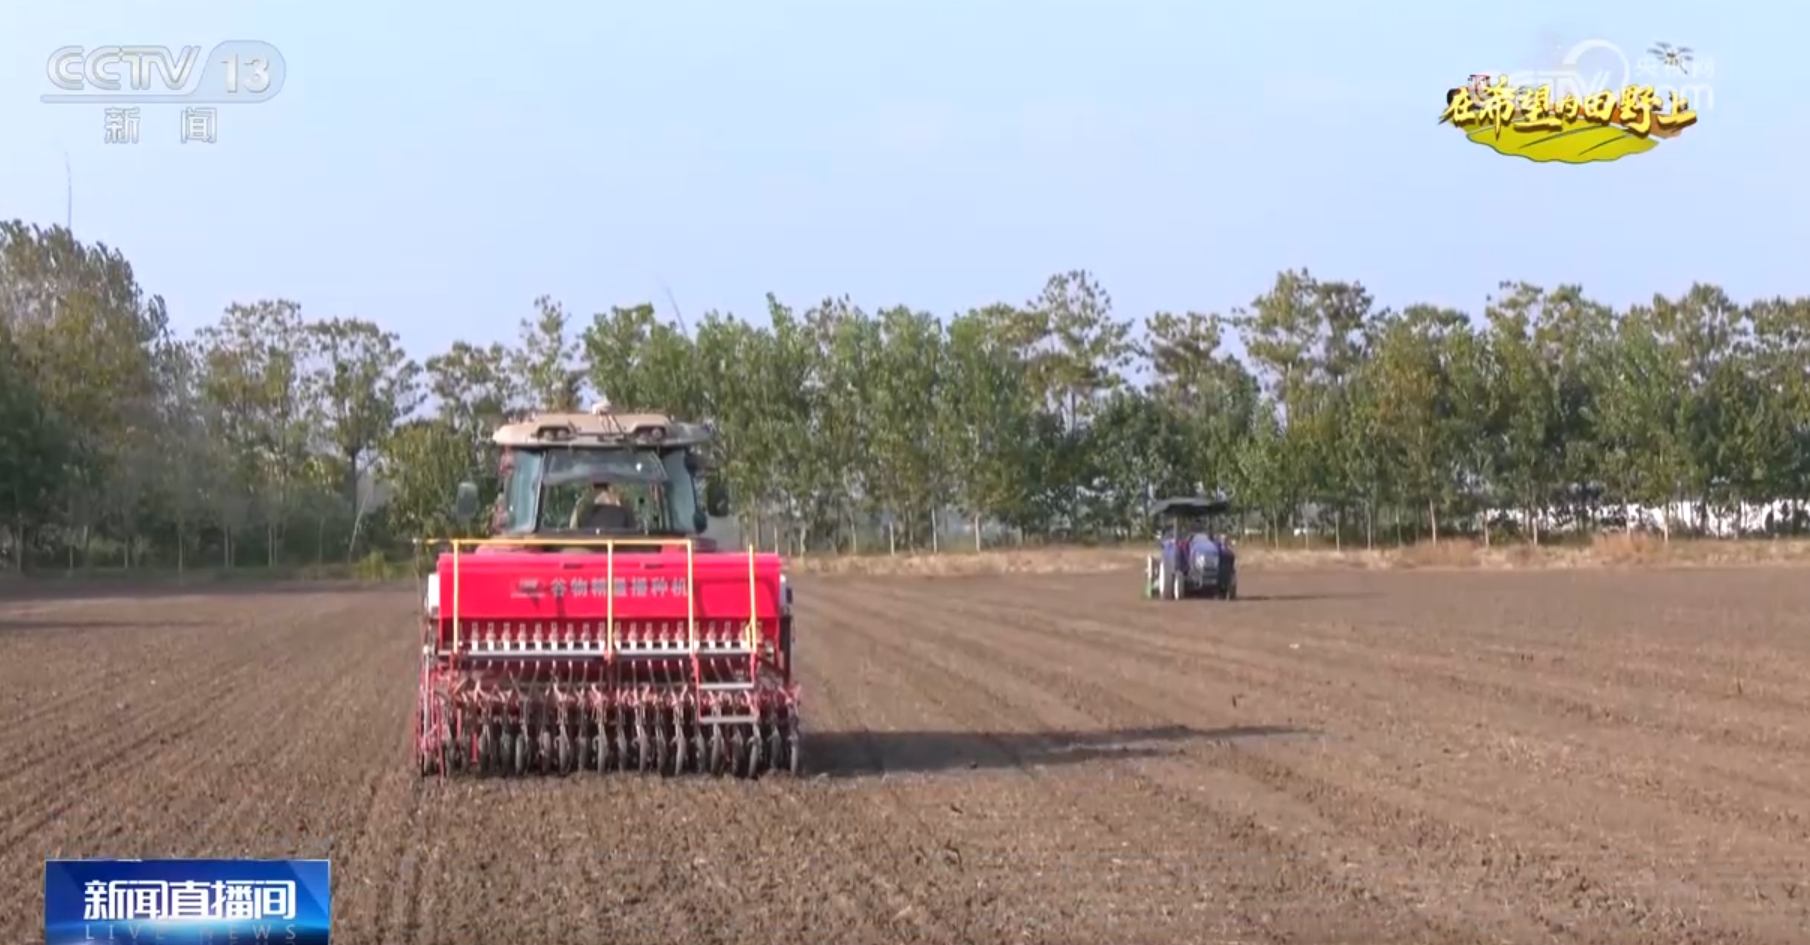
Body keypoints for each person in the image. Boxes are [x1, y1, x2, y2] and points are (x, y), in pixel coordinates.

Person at [572, 482, 638, 531]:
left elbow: (573, 530)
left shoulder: (583, 508)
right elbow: (634, 531)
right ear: (610, 486)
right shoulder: (624, 508)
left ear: (592, 486)